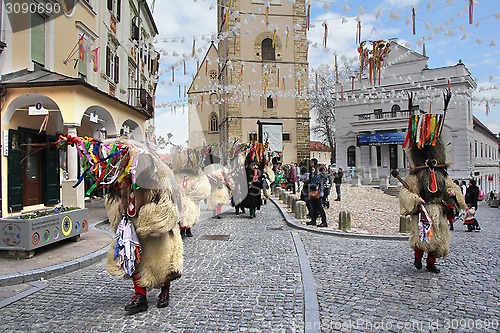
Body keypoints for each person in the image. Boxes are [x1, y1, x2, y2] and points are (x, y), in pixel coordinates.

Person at [399, 91, 466, 273]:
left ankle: (431, 263)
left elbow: (452, 190)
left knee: (438, 240)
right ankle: (418, 259)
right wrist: (415, 199)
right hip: (422, 210)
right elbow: (405, 192)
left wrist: (453, 195)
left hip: (438, 209)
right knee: (422, 236)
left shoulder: (442, 175)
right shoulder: (416, 176)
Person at [306, 163, 328, 227]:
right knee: (315, 207)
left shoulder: (319, 176)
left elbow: (314, 183)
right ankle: (314, 220)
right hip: (318, 192)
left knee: (319, 208)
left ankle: (324, 222)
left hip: (317, 193)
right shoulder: (322, 175)